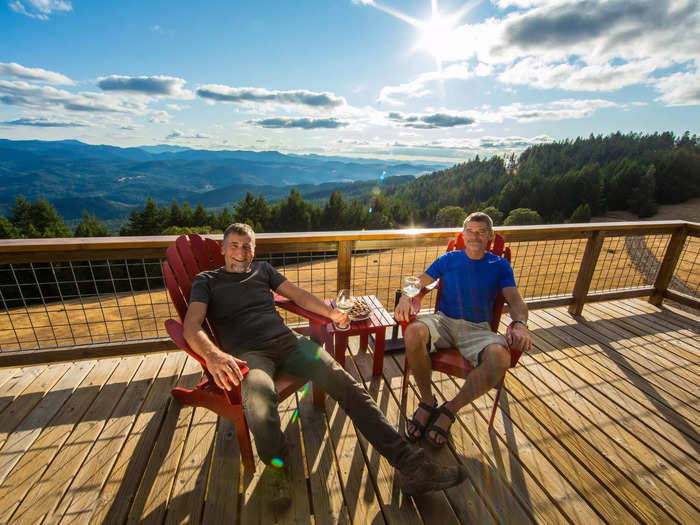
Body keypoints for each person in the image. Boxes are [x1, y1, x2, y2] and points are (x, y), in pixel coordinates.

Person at [183, 223, 466, 511]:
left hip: (289, 343)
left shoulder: (263, 270)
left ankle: (411, 463)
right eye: (234, 245)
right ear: (222, 248)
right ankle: (276, 466)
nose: (241, 253)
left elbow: (297, 295)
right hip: (248, 356)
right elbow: (191, 326)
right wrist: (213, 355)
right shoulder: (206, 281)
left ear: (254, 249)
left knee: (345, 383)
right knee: (258, 399)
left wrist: (330, 313)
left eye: (247, 246)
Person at [394, 212, 532, 448]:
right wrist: (407, 296)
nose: (475, 236)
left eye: (481, 232)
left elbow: (516, 302)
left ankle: (450, 408)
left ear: (490, 236)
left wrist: (520, 324)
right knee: (413, 333)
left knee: (500, 358)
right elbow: (421, 281)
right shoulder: (448, 258)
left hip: (477, 330)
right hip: (444, 321)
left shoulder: (500, 265)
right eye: (470, 230)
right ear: (463, 234)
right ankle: (427, 402)